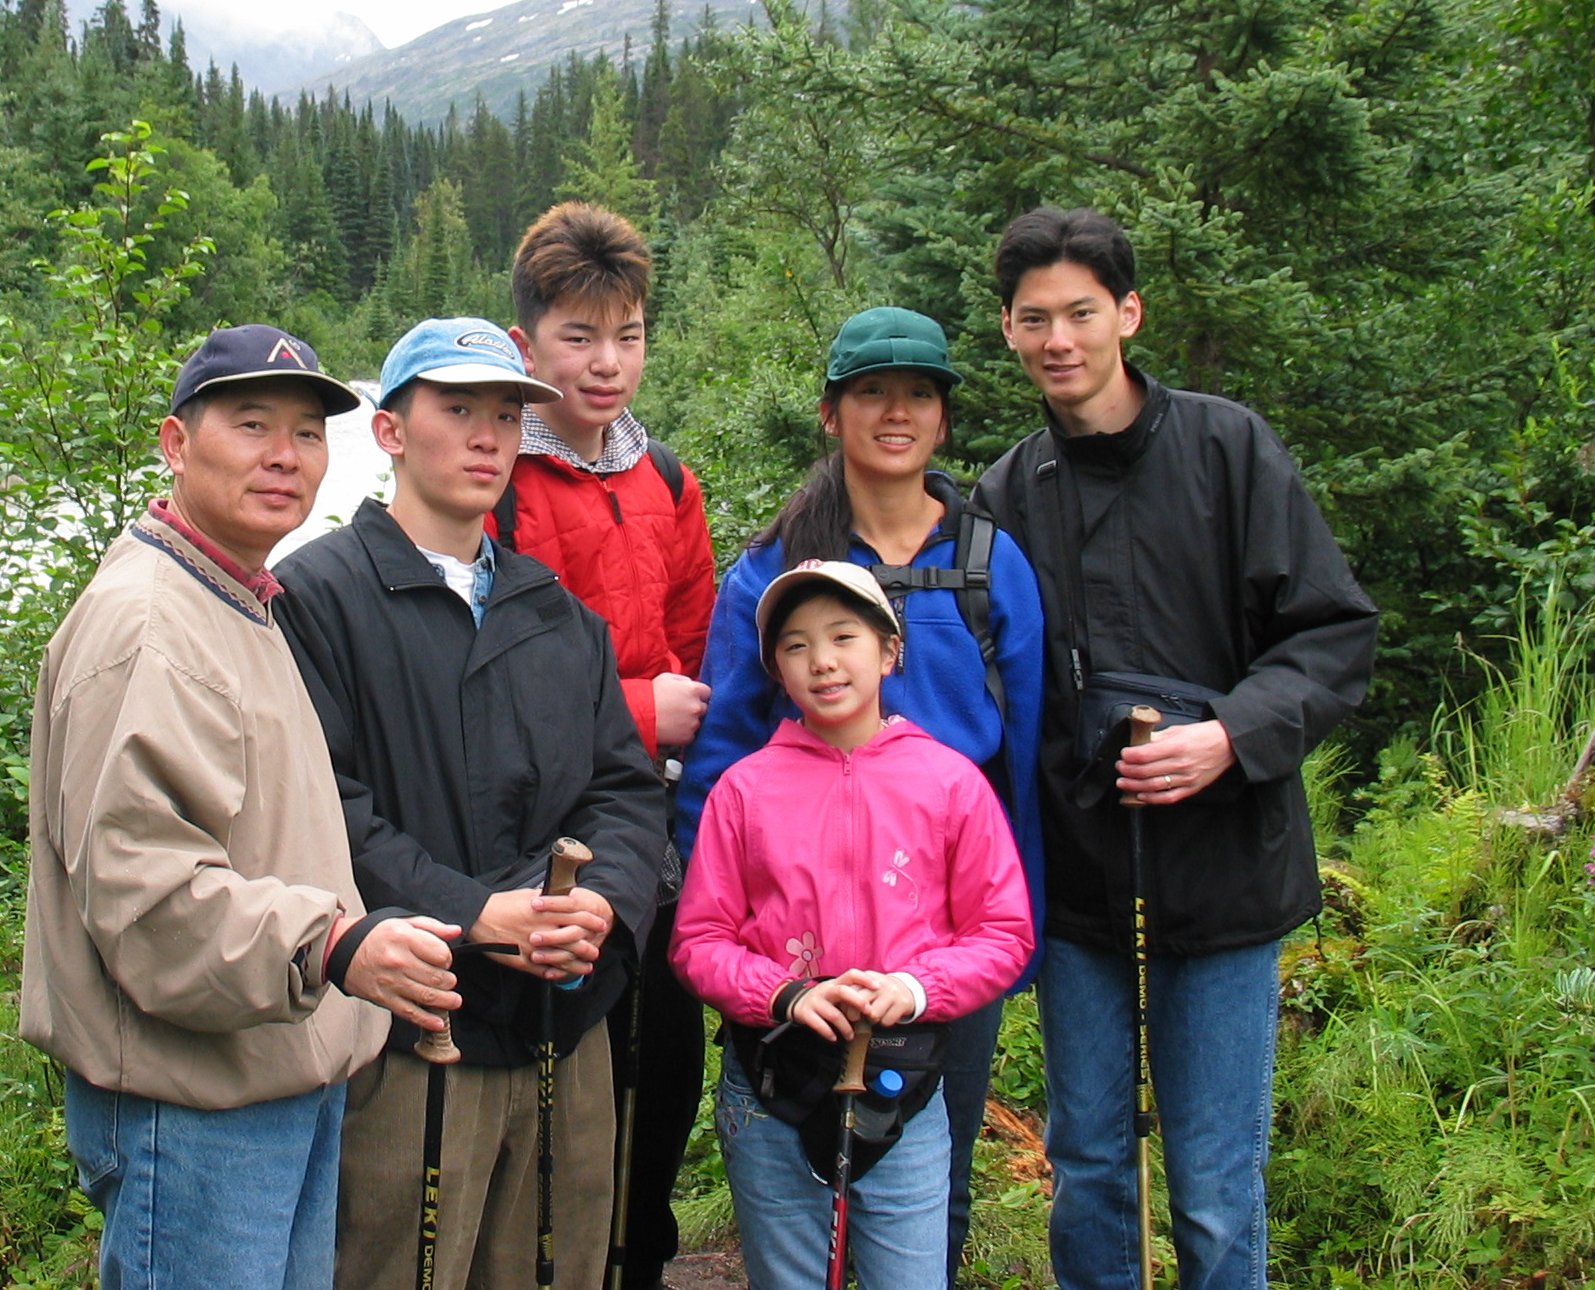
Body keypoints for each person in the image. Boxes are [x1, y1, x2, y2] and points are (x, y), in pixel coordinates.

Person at [971, 209, 1378, 1290]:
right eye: (1034, 319)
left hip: (1226, 870)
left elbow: (1332, 632)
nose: (1059, 339)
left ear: (1128, 313)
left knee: (1212, 1182)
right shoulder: (1005, 494)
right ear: (1007, 331)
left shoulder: (1227, 449)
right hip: (1080, 885)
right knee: (1088, 1165)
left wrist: (1231, 737)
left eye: (1080, 313)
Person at [20, 324, 468, 1290]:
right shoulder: (151, 626)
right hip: (192, 1109)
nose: (285, 456)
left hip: (269, 1076)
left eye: (307, 433)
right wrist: (335, 945)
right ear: (176, 445)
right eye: (253, 424)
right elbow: (148, 895)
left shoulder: (232, 598)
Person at [275, 317, 666, 1290]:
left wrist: (601, 907)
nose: (487, 436)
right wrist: (474, 912)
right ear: (391, 431)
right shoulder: (315, 600)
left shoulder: (560, 616)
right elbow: (320, 808)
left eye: (503, 413)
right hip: (405, 1032)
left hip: (563, 1023)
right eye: (456, 410)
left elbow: (624, 790)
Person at [676, 306, 1046, 1283]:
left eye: (918, 393)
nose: (895, 412)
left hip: (943, 929)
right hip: (794, 948)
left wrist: (1023, 933)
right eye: (870, 392)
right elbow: (719, 761)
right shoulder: (774, 568)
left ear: (942, 416)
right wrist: (719, 940)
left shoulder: (987, 562)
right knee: (791, 1151)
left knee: (933, 1169)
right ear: (830, 413)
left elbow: (1028, 756)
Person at [491, 201, 717, 1289]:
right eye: (579, 337)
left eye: (626, 335)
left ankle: (642, 1262)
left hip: (652, 825)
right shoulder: (496, 481)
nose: (607, 362)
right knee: (562, 1065)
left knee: (665, 1061)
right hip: (535, 833)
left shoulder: (664, 479)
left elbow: (694, 644)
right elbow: (483, 675)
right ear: (527, 343)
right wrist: (638, 712)